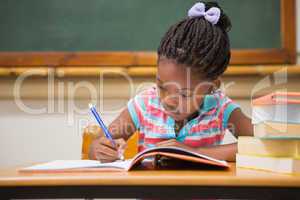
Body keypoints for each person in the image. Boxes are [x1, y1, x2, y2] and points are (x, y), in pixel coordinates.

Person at [88, 1, 253, 163]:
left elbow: (261, 144)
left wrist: (195, 152)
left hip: (201, 190)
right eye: (162, 87)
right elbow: (98, 146)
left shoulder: (220, 108)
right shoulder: (144, 104)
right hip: (150, 190)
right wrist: (99, 149)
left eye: (184, 94)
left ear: (211, 87)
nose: (169, 100)